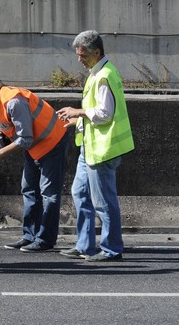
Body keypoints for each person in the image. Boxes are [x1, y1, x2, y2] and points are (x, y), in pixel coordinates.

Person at [56, 30, 135, 262]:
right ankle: (85, 245)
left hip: (102, 149)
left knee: (104, 202)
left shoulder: (103, 76)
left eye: (82, 55)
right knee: (79, 193)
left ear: (96, 52)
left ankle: (112, 249)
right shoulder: (96, 73)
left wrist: (77, 111)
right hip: (90, 148)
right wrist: (77, 120)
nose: (79, 59)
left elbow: (104, 113)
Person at [0, 82, 70, 252]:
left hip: (52, 142)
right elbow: (0, 134)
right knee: (29, 189)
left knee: (49, 194)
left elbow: (25, 139)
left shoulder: (13, 102)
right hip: (35, 147)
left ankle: (45, 239)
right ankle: (29, 236)